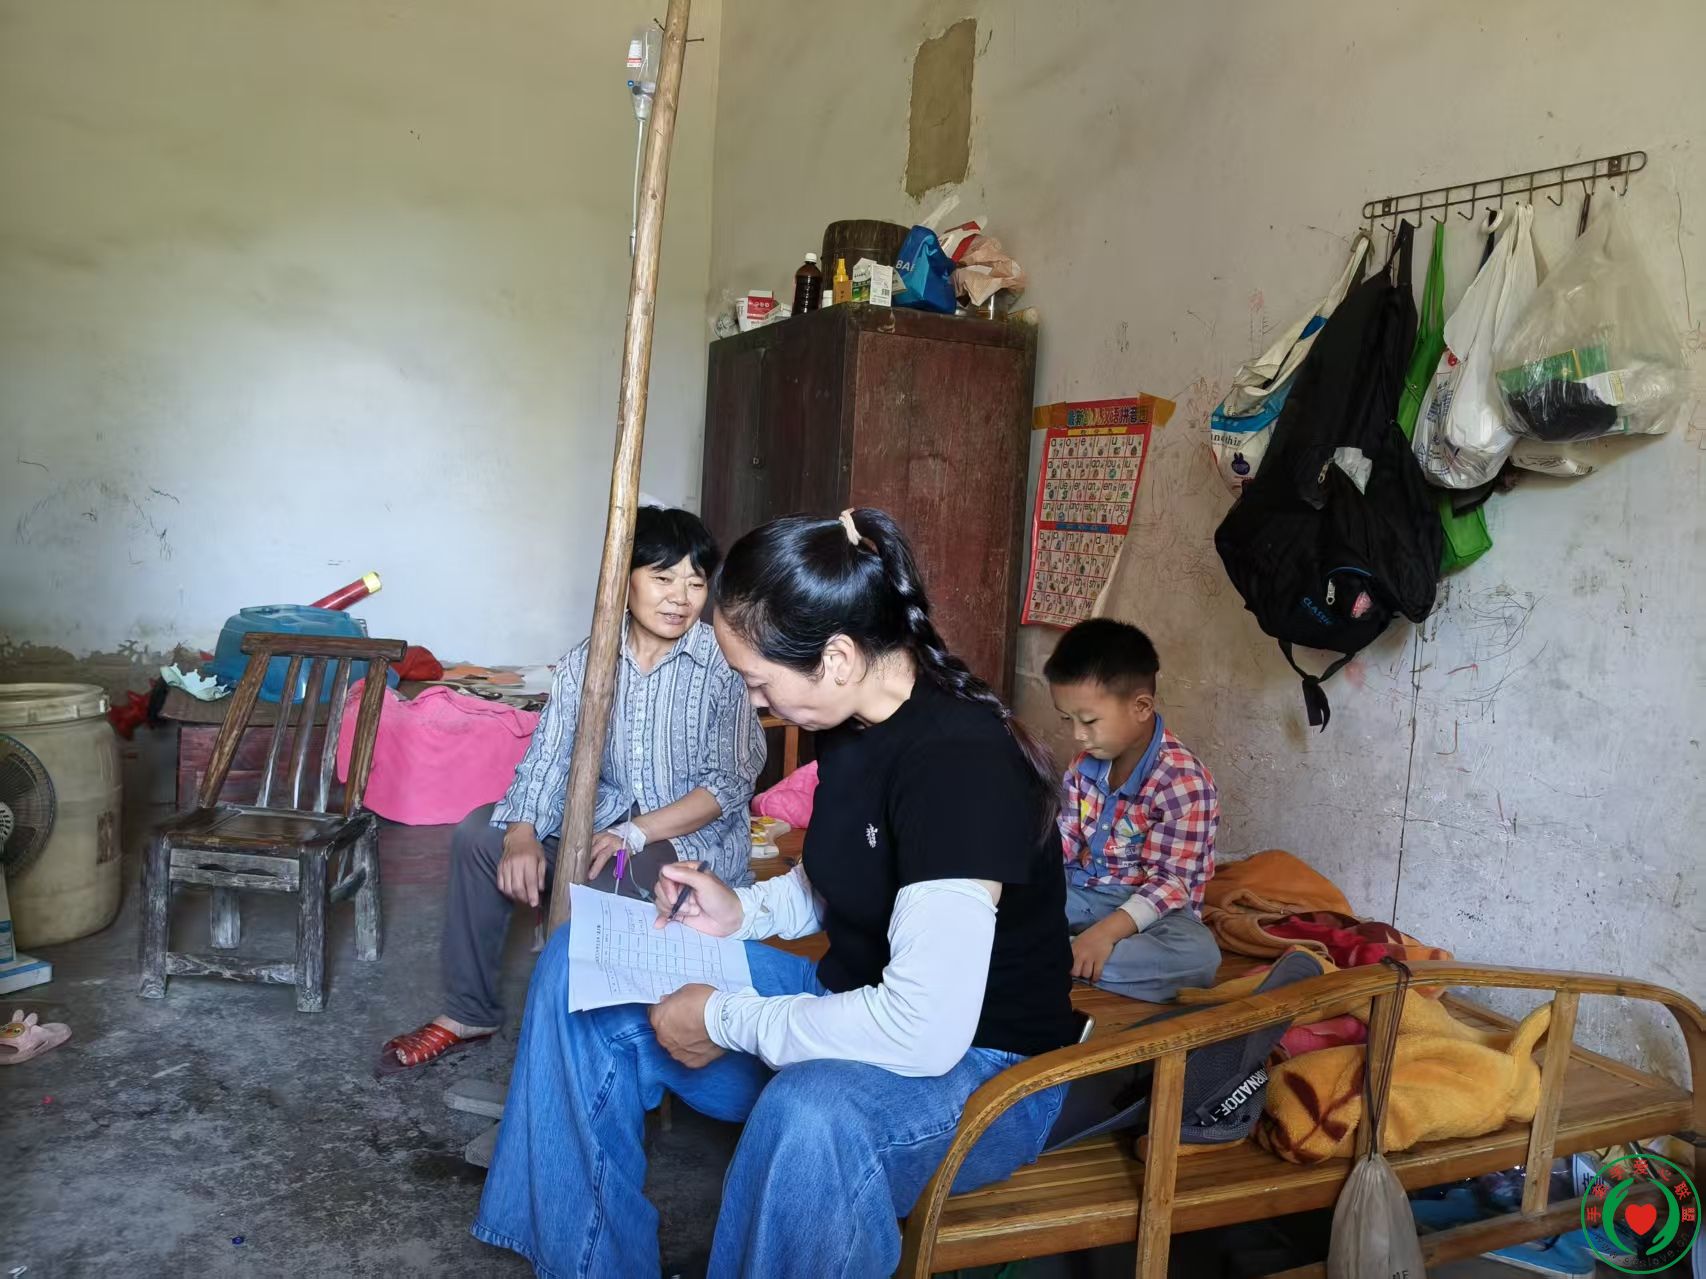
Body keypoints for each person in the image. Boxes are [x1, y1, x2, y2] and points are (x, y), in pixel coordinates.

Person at [471, 508, 1080, 1278]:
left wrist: (722, 1017)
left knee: (810, 1115)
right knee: (573, 969)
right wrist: (742, 911)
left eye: (760, 680)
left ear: (836, 656)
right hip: (852, 1002)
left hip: (983, 1069)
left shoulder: (961, 765)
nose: (757, 703)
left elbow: (922, 1030)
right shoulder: (852, 723)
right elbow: (841, 873)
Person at [381, 506, 766, 1070]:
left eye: (695, 582)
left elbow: (727, 785)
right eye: (662, 577)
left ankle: (586, 1048)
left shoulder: (722, 664)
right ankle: (469, 1010)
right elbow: (549, 756)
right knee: (478, 837)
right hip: (604, 819)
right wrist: (521, 832)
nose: (680, 598)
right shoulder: (588, 661)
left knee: (616, 877)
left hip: (687, 837)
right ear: (622, 580)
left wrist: (636, 833)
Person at [1044, 617, 1220, 1002]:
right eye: (1068, 719)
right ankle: (1066, 956)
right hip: (1081, 892)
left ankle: (1048, 955)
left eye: (1089, 721)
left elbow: (1171, 883)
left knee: (1198, 957)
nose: (1077, 735)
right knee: (1002, 906)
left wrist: (1105, 934)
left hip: (1149, 911)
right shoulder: (1084, 766)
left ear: (1141, 706)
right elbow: (1063, 841)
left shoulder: (1182, 781)